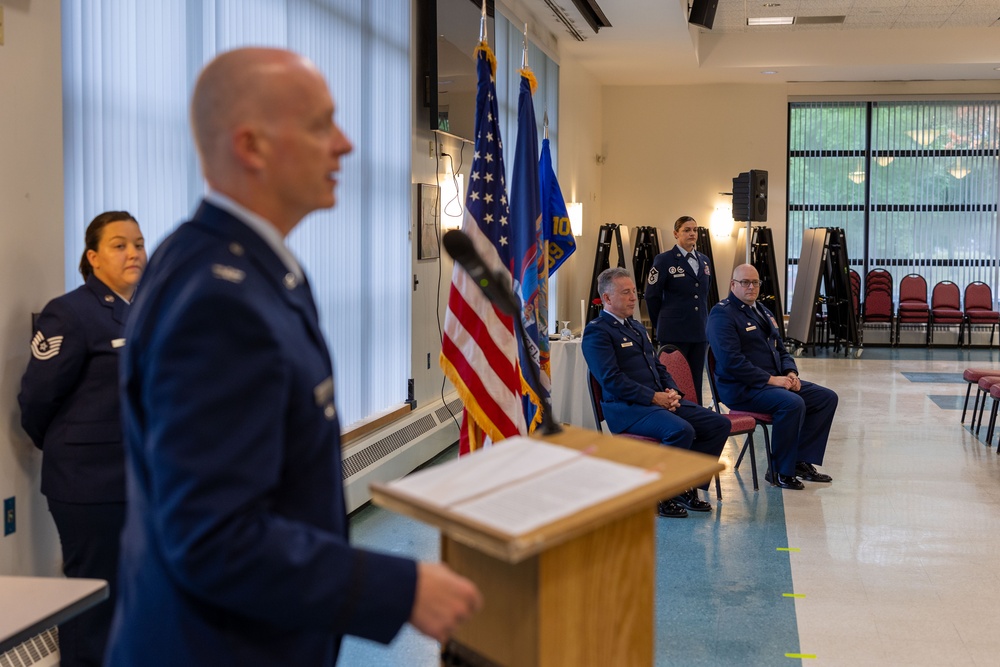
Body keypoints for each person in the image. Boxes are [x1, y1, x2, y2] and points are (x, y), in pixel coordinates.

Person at [105, 48, 481, 666]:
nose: (344, 145)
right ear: (250, 146)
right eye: (320, 125)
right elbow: (212, 538)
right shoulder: (216, 299)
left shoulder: (248, 265)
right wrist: (400, 589)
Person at [18, 210, 147, 667]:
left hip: (134, 481)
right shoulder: (70, 313)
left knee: (129, 593)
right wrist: (70, 450)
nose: (133, 252)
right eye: (119, 244)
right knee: (93, 599)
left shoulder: (142, 311)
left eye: (138, 243)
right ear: (93, 257)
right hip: (88, 485)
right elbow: (36, 400)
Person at [582, 267, 730, 518]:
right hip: (627, 408)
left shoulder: (636, 328)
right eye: (625, 292)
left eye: (633, 292)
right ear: (606, 298)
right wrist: (654, 397)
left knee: (718, 423)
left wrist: (672, 392)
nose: (633, 298)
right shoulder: (598, 331)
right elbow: (612, 380)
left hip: (657, 402)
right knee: (680, 430)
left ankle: (685, 485)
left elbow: (658, 366)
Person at [706, 264, 838, 490]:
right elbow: (731, 362)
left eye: (755, 282)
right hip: (741, 388)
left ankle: (798, 461)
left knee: (825, 398)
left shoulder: (763, 311)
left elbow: (781, 349)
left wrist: (790, 373)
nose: (751, 287)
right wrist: (771, 380)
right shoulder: (722, 314)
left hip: (773, 383)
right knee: (792, 403)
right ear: (733, 285)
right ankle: (779, 470)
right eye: (745, 282)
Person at [644, 215, 712, 405]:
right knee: (673, 380)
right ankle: (677, 413)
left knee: (696, 378)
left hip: (699, 331)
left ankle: (696, 412)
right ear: (676, 234)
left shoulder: (704, 260)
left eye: (694, 230)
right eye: (686, 230)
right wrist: (660, 322)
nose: (692, 234)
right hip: (674, 331)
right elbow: (651, 295)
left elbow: (705, 294)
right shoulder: (664, 260)